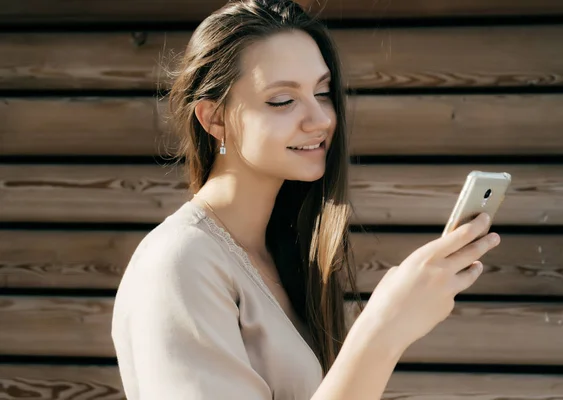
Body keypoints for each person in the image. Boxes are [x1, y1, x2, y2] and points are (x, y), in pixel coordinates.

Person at [110, 0, 501, 399]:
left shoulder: (276, 251)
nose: (321, 119)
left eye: (323, 91)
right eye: (282, 100)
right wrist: (384, 328)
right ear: (214, 119)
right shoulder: (181, 260)